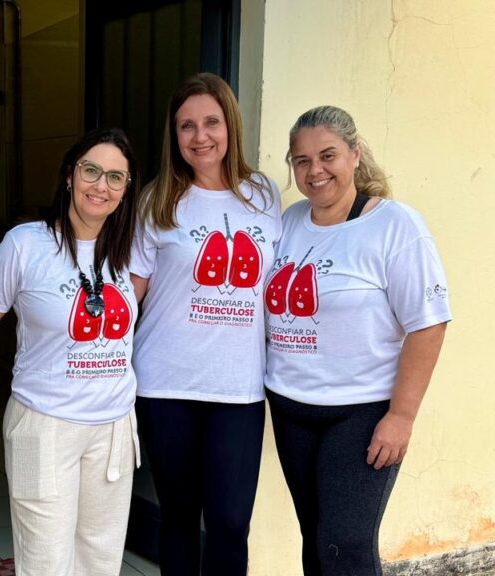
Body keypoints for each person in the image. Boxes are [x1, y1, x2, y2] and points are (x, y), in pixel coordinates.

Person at [265, 105, 451, 576]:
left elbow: (428, 323)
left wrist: (402, 416)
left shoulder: (394, 225)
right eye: (301, 160)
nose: (315, 170)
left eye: (328, 155)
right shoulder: (289, 222)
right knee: (316, 538)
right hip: (291, 408)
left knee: (344, 546)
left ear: (355, 154)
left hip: (361, 414)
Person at [130, 72, 281, 575]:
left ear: (230, 125)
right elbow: (130, 294)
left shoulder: (263, 194)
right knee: (177, 515)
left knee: (231, 521)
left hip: (238, 386)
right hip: (166, 383)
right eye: (186, 126)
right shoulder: (157, 201)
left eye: (211, 122)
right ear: (174, 136)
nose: (200, 137)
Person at [0, 128, 141, 575]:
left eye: (115, 177)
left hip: (112, 429)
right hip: (43, 425)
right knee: (44, 563)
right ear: (70, 175)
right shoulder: (26, 244)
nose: (101, 185)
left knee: (100, 561)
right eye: (91, 170)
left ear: (127, 190)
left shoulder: (131, 250)